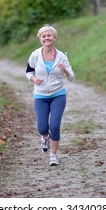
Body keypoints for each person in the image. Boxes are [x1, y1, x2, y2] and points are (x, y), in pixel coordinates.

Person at [25, 24, 75, 166]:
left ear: (54, 38)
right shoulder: (35, 55)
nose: (46, 38)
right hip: (40, 95)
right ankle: (45, 137)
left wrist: (65, 70)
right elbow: (28, 72)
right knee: (42, 128)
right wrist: (34, 79)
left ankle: (53, 155)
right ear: (40, 39)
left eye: (49, 35)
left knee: (54, 126)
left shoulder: (61, 56)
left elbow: (71, 78)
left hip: (58, 95)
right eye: (44, 36)